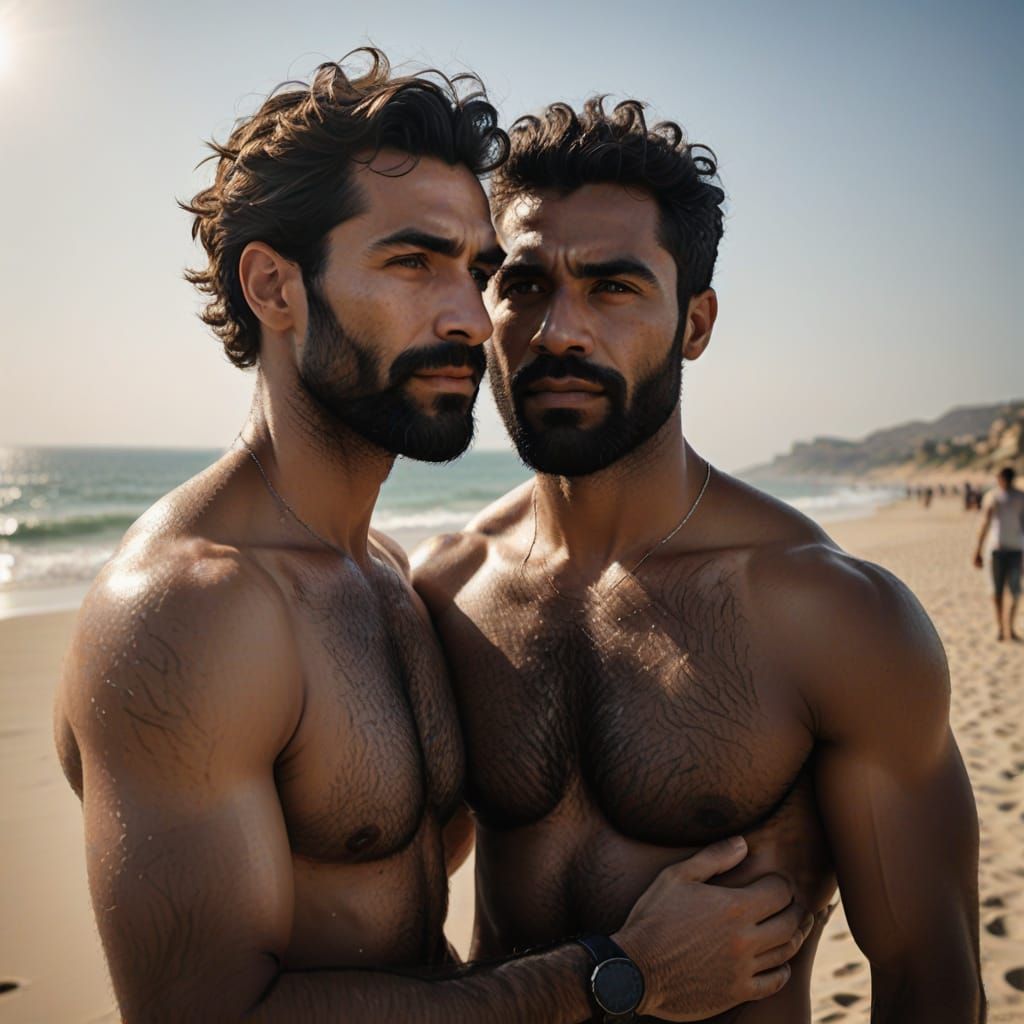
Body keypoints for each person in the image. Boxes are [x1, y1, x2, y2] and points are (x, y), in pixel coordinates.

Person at [53, 54, 813, 1023]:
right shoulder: (190, 608)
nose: (471, 320)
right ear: (275, 288)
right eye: (413, 263)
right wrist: (620, 972)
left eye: (478, 271)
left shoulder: (388, 578)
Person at [413, 98, 984, 1022]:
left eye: (614, 287)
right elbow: (390, 924)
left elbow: (930, 980)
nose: (560, 330)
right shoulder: (445, 591)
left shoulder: (830, 615)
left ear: (696, 323)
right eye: (524, 284)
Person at [973, 465, 1024, 641]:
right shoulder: (995, 497)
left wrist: (978, 550)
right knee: (1002, 591)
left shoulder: (1017, 497)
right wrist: (978, 549)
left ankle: (1006, 628)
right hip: (1002, 549)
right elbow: (986, 523)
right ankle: (1003, 628)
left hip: (1010, 550)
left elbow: (985, 525)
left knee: (1008, 591)